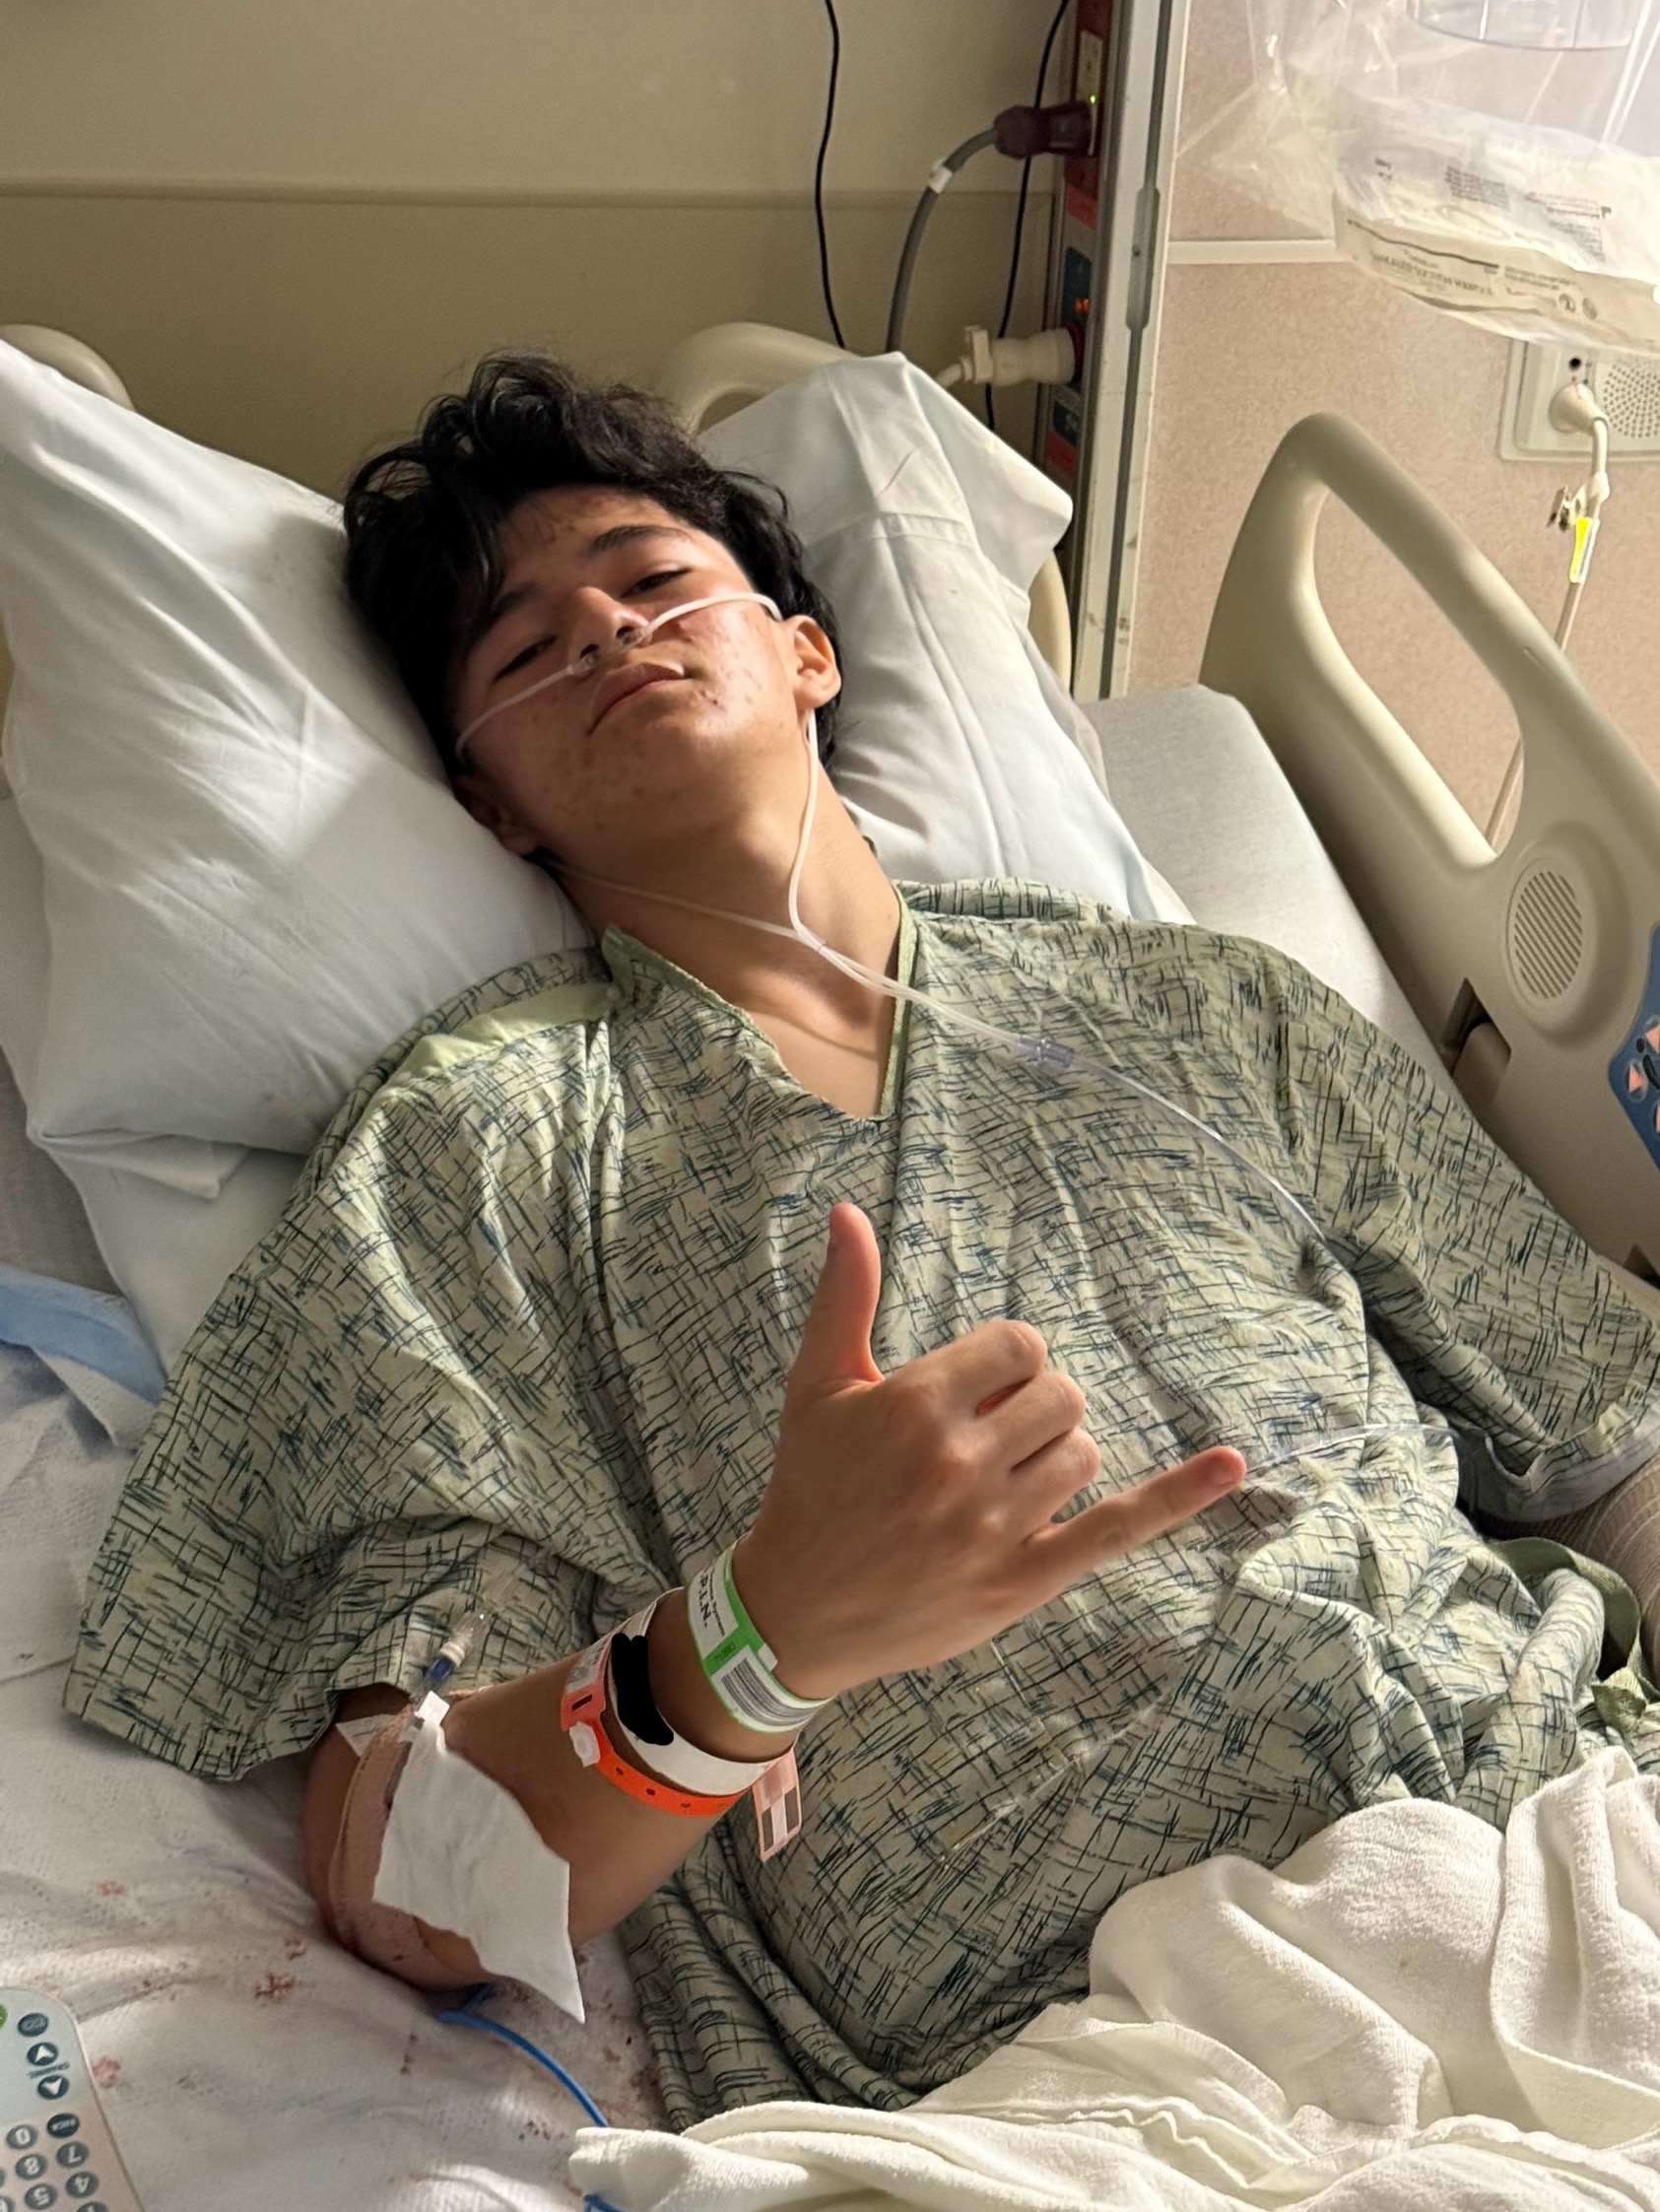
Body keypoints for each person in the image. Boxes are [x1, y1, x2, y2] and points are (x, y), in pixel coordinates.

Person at [66, 356, 1660, 2125]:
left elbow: (1609, 1434)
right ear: (494, 807)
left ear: (810, 653)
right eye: (525, 651)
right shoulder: (480, 1145)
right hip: (1109, 2069)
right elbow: (395, 1862)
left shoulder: (1207, 1003)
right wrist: (748, 1643)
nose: (605, 631)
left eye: (653, 580)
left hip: (1564, 1853)